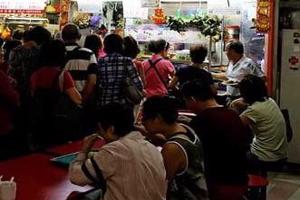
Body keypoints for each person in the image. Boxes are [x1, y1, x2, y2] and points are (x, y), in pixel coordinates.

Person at [69, 103, 167, 200]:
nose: (101, 136)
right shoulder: (152, 148)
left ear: (111, 129)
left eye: (100, 131)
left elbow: (76, 177)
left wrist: (84, 150)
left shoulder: (114, 150)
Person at [181, 80, 249, 200]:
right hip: (240, 178)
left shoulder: (202, 120)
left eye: (186, 101)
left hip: (218, 183)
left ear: (192, 99)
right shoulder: (232, 114)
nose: (187, 105)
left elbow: (189, 150)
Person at [142, 96, 208, 200]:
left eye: (145, 119)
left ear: (158, 118)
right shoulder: (185, 128)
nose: (143, 123)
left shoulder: (172, 148)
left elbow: (162, 183)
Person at [30, 40, 81, 147]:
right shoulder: (63, 75)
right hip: (58, 122)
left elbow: (33, 94)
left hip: (39, 121)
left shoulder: (35, 74)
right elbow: (77, 99)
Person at [238, 75, 288, 174]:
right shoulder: (270, 101)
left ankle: (245, 186)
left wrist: (233, 106)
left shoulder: (254, 110)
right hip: (280, 154)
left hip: (264, 157)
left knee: (233, 156)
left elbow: (234, 126)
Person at [88, 34, 143, 107]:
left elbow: (96, 84)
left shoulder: (100, 62)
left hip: (104, 105)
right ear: (121, 46)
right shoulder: (127, 61)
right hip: (124, 106)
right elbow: (139, 85)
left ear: (105, 47)